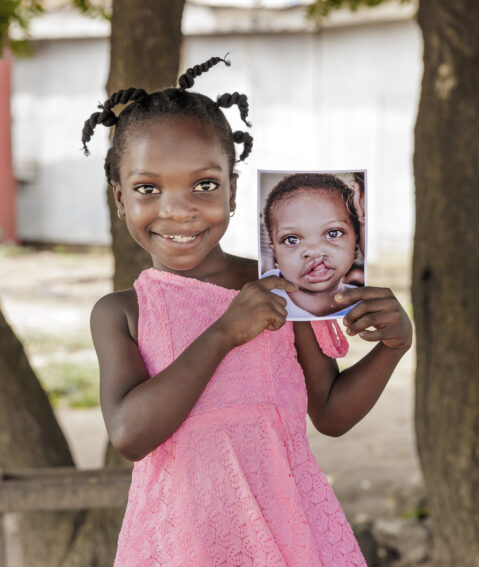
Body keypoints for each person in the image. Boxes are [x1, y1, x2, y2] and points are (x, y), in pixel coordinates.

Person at [82, 56, 412, 566]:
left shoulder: (281, 289)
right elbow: (129, 433)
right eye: (149, 189)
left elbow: (329, 411)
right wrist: (224, 333)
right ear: (121, 198)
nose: (178, 209)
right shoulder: (122, 314)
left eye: (205, 185)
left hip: (290, 539)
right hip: (182, 546)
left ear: (234, 191)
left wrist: (394, 347)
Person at [261, 173, 364, 319]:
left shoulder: (363, 304)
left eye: (333, 233)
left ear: (355, 244)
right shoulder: (265, 298)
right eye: (292, 240)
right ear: (275, 253)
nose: (314, 252)